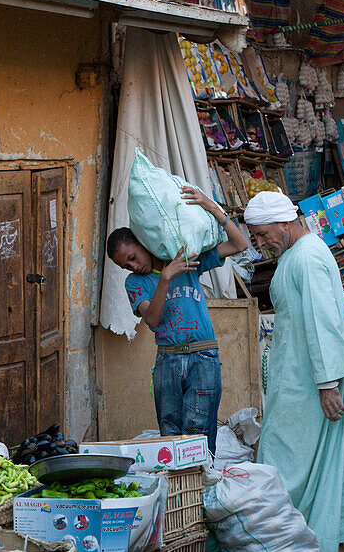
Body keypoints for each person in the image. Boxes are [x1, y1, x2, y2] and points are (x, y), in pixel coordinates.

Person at [244, 191, 344, 552]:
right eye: (255, 237)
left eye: (263, 234)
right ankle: (314, 534)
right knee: (303, 455)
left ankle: (302, 535)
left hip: (312, 380)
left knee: (290, 454)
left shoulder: (308, 257)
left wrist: (327, 384)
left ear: (285, 223)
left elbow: (323, 320)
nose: (260, 244)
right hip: (298, 375)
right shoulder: (296, 254)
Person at [106, 186, 248, 454]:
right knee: (170, 435)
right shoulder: (135, 283)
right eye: (125, 265)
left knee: (200, 436)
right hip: (167, 362)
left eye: (132, 258)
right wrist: (165, 277)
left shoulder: (186, 260)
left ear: (143, 242)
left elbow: (240, 244)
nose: (133, 267)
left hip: (203, 357)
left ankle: (201, 491)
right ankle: (179, 493)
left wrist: (210, 206)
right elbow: (153, 319)